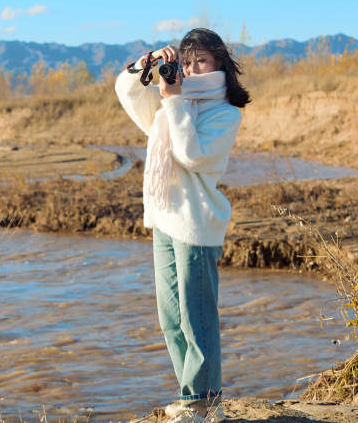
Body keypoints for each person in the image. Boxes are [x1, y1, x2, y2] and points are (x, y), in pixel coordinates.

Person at [115, 28, 250, 423]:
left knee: (197, 317)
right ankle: (194, 397)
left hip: (196, 224)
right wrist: (148, 63)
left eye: (200, 61)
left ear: (220, 62)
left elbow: (192, 155)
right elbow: (125, 91)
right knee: (171, 318)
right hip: (164, 220)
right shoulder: (169, 107)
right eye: (186, 63)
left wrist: (174, 101)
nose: (191, 70)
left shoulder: (224, 113)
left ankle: (202, 403)